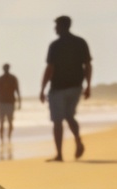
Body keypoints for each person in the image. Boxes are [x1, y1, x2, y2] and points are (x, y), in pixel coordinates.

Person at [39, 15, 91, 161]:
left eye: (56, 25)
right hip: (76, 86)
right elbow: (87, 65)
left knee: (57, 121)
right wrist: (88, 86)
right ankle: (78, 140)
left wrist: (42, 88)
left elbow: (50, 68)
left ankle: (60, 154)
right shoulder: (80, 42)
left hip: (58, 87)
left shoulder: (55, 45)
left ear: (62, 26)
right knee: (69, 116)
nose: (55, 28)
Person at [0, 64, 21, 142]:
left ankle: (9, 137)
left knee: (10, 122)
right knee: (1, 122)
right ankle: (1, 138)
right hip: (1, 103)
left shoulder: (13, 79)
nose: (6, 69)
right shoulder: (0, 79)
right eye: (5, 68)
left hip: (10, 103)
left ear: (9, 68)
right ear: (3, 69)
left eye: (7, 68)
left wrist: (20, 102)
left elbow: (18, 91)